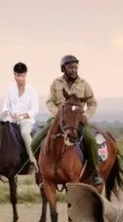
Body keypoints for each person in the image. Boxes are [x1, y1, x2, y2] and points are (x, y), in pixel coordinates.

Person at [29, 54, 103, 186]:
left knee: (91, 140)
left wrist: (86, 115)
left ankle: (94, 172)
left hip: (76, 121)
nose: (74, 70)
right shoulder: (56, 83)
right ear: (64, 69)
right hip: (56, 121)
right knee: (34, 143)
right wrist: (57, 114)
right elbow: (49, 101)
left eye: (75, 67)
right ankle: (40, 170)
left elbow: (92, 104)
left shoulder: (84, 84)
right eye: (70, 67)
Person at [0, 61, 39, 175]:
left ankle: (33, 161)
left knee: (25, 133)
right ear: (14, 75)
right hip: (11, 120)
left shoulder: (32, 90)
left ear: (25, 75)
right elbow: (5, 106)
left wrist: (21, 116)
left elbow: (34, 110)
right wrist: (8, 113)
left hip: (26, 121)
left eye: (21, 75)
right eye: (17, 75)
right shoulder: (10, 89)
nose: (19, 78)